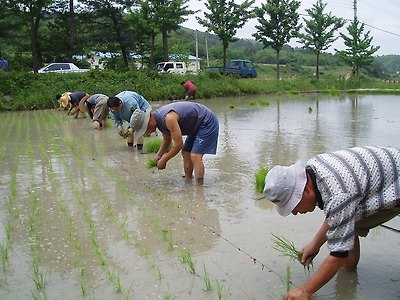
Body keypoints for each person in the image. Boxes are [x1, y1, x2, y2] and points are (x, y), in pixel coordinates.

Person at [263, 146, 400, 300]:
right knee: (349, 223)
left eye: (293, 204)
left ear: (306, 189)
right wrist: (315, 244)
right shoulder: (314, 168)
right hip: (384, 174)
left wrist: (305, 291)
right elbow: (338, 216)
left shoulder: (338, 194)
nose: (294, 212)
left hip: (396, 182)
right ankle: (349, 277)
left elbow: (338, 255)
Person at [130, 101, 219, 185]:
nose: (147, 132)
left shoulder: (168, 118)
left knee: (195, 156)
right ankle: (188, 182)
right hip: (195, 126)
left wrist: (164, 160)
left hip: (206, 121)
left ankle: (200, 188)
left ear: (148, 122)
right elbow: (167, 140)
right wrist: (159, 155)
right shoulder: (159, 120)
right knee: (186, 152)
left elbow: (178, 144)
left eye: (145, 129)